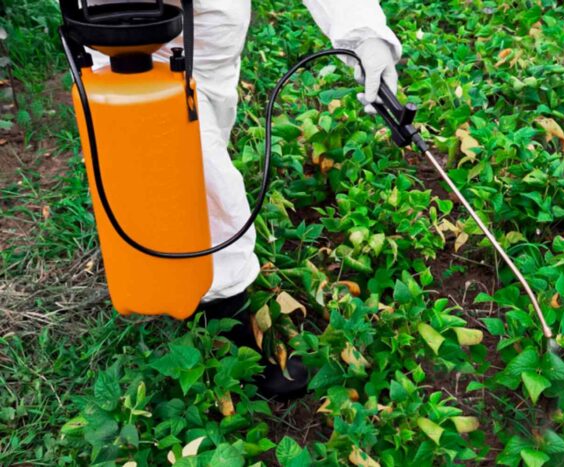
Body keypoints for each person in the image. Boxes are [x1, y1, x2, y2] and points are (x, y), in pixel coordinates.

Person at [88, 0, 402, 400]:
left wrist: (365, 35)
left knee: (198, 146)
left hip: (212, 40)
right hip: (129, 28)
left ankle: (178, 261)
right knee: (202, 173)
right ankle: (227, 321)